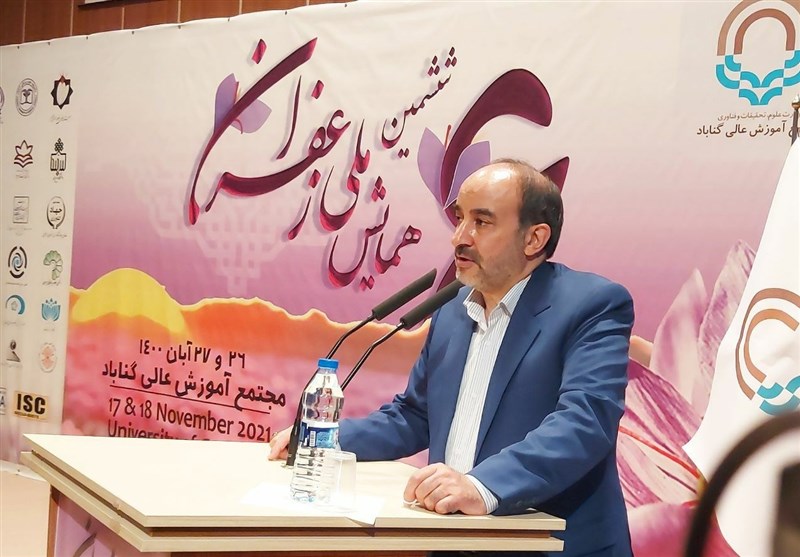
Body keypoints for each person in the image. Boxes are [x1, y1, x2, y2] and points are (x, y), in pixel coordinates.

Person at [270, 158, 634, 557]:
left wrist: (481, 485)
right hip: (455, 540)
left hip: (551, 545)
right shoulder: (452, 311)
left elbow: (585, 422)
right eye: (460, 219)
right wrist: (324, 440)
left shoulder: (591, 305)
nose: (459, 237)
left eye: (482, 222)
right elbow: (415, 415)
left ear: (534, 239)